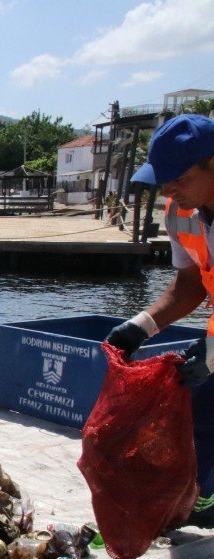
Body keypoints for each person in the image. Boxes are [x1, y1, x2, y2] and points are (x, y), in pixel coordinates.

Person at [105, 114, 214, 520]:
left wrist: (212, 353)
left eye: (179, 178)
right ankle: (199, 497)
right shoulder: (180, 209)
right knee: (192, 408)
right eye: (162, 179)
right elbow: (190, 284)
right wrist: (140, 326)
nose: (168, 189)